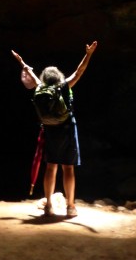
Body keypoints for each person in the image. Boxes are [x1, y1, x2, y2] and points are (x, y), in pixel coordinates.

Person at [11, 41, 98, 217]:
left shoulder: (41, 87)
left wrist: (20, 62)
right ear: (58, 76)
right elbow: (79, 71)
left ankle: (49, 205)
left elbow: (30, 72)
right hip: (67, 130)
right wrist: (88, 54)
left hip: (50, 131)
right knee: (68, 168)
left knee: (51, 167)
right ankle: (71, 207)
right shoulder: (64, 87)